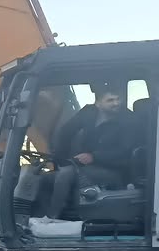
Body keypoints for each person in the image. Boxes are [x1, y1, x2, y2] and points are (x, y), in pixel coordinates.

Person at [47, 86, 135, 218]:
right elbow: (65, 132)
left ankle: (52, 218)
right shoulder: (88, 112)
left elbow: (125, 151)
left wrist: (94, 157)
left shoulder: (127, 120)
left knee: (66, 174)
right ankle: (38, 217)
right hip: (85, 167)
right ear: (98, 104)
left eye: (118, 99)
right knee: (44, 178)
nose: (116, 103)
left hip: (114, 170)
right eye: (110, 100)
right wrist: (61, 160)